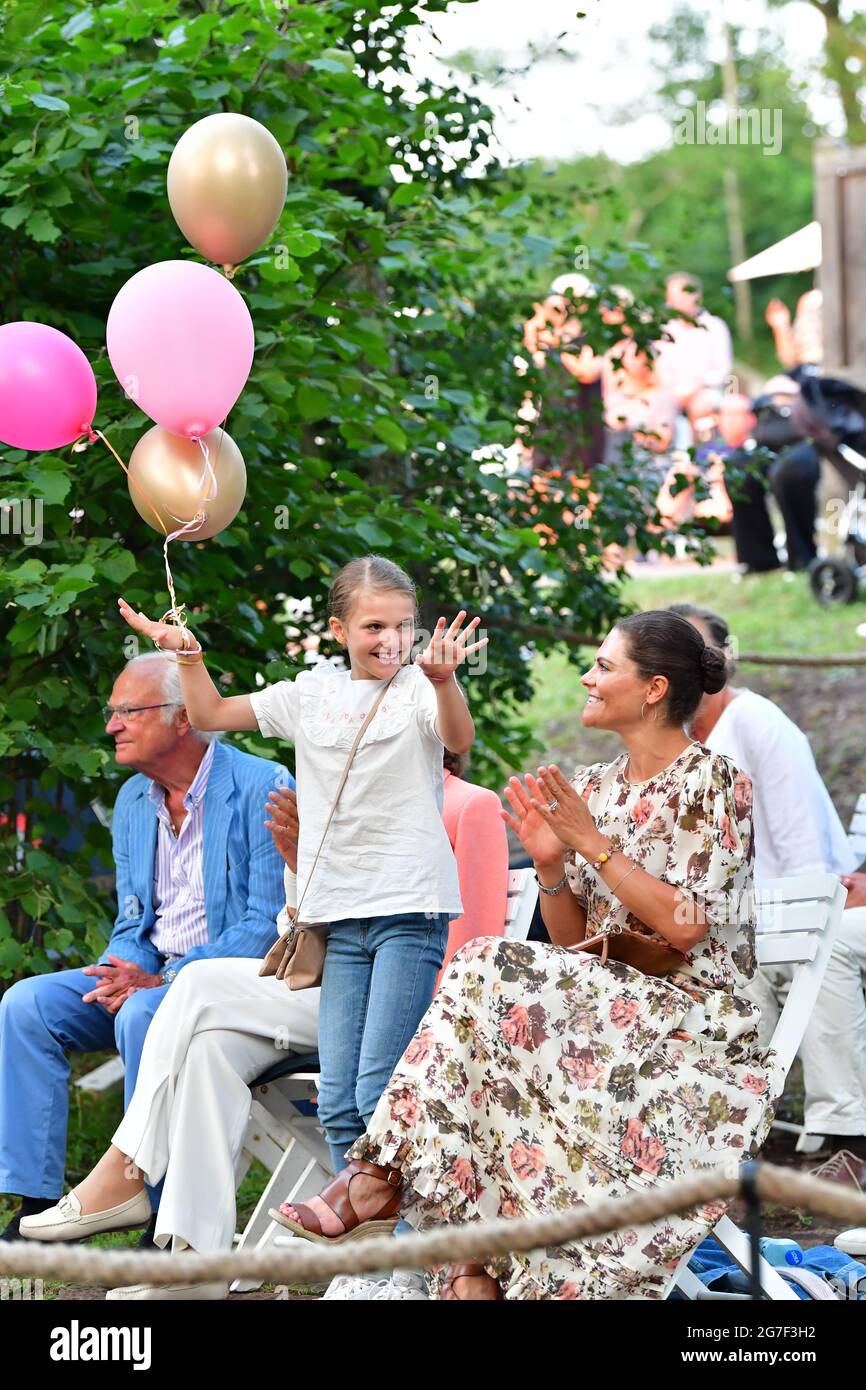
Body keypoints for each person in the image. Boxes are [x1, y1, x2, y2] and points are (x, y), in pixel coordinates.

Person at [268, 610, 783, 1300]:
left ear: (655, 688)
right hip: (606, 1022)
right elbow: (574, 950)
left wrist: (593, 845)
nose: (587, 676)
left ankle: (391, 1189)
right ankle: (464, 1266)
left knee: (484, 966)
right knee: (490, 1024)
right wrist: (549, 868)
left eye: (604, 666)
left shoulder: (714, 783)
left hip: (696, 1032)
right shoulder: (594, 788)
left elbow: (687, 930)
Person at [115, 556, 485, 1191]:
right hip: (338, 922)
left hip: (408, 913)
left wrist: (446, 681)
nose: (391, 640)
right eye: (374, 626)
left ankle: (408, 1264)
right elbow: (208, 714)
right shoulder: (309, 694)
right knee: (339, 1100)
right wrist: (186, 655)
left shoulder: (421, 689)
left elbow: (459, 735)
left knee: (377, 1093)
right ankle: (364, 1260)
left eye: (403, 626)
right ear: (339, 630)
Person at [0, 652, 288, 1243]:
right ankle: (34, 1198)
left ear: (182, 718)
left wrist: (164, 980)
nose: (112, 726)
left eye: (128, 711)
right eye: (113, 713)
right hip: (150, 977)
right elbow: (134, 916)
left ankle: (152, 1203)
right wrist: (122, 965)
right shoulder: (135, 799)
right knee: (25, 1005)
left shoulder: (264, 786)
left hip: (228, 988)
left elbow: (265, 925)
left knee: (142, 1013)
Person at [674, 603, 866, 1184]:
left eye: (699, 654)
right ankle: (731, 1136)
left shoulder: (756, 723)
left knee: (817, 949)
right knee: (714, 962)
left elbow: (806, 849)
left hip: (816, 902)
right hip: (746, 913)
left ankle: (848, 1136)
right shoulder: (678, 743)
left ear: (721, 663)